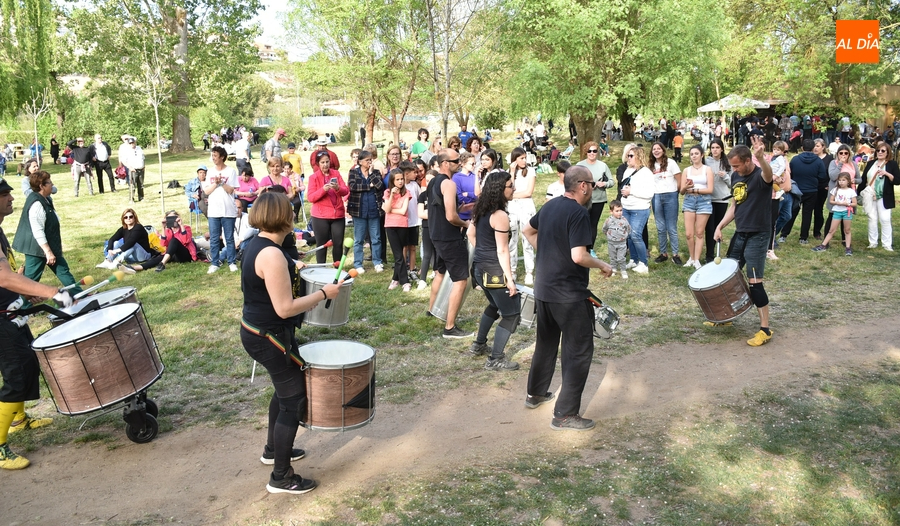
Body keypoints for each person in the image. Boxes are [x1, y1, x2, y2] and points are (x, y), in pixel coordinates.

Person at [239, 192, 343, 495]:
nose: (295, 213)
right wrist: (324, 294)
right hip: (267, 336)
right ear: (283, 217)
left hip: (262, 332)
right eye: (291, 210)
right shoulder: (269, 254)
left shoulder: (261, 245)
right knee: (294, 400)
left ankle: (273, 449)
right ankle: (281, 477)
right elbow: (285, 307)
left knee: (284, 390)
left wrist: (295, 265)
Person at [522, 165, 614, 431]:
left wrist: (550, 252)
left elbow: (529, 231)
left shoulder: (550, 205)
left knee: (546, 342)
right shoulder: (579, 213)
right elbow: (578, 256)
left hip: (544, 290)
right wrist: (602, 265)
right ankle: (565, 414)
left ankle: (535, 394)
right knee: (578, 350)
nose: (594, 189)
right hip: (569, 295)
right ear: (583, 186)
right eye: (593, 185)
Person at [0, 177, 75, 470]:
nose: (11, 197)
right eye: (4, 194)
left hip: (10, 311)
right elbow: (2, 277)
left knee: (28, 363)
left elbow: (9, 276)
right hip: (1, 319)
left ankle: (18, 419)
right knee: (17, 374)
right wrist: (52, 291)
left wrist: (24, 295)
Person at [712, 137, 775, 347]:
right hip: (741, 232)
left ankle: (765, 329)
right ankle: (727, 318)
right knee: (729, 277)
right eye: (732, 166)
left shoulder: (760, 177)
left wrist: (761, 159)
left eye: (737, 165)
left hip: (758, 234)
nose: (735, 170)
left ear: (748, 161)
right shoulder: (735, 176)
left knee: (755, 283)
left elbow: (769, 175)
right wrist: (720, 226)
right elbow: (734, 205)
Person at [466, 171, 520, 371]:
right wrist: (509, 279)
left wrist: (482, 251)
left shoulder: (480, 210)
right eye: (510, 186)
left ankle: (478, 345)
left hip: (479, 269)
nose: (513, 188)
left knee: (493, 305)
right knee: (512, 313)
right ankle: (496, 358)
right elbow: (502, 249)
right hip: (495, 271)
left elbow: (471, 233)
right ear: (500, 190)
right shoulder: (500, 216)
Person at [12, 171, 83, 294]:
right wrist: (48, 252)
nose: (52, 184)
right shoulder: (36, 204)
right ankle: (21, 306)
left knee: (63, 270)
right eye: (49, 182)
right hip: (37, 249)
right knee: (31, 278)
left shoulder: (45, 199)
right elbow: (37, 230)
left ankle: (80, 295)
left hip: (49, 247)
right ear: (41, 186)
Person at [428, 149, 474, 339]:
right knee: (461, 280)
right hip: (449, 237)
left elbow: (448, 208)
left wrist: (470, 207)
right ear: (445, 163)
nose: (460, 163)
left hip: (436, 235)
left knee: (439, 273)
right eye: (456, 160)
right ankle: (450, 327)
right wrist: (466, 224)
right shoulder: (449, 183)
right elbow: (451, 216)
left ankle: (431, 310)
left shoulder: (433, 181)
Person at [203, 146, 240, 273]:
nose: (213, 158)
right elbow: (207, 191)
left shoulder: (231, 171)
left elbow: (231, 190)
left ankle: (232, 262)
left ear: (222, 157)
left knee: (229, 238)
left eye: (215, 156)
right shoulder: (210, 172)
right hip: (214, 210)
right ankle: (214, 262)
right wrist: (216, 183)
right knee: (214, 238)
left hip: (228, 210)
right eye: (212, 156)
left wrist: (222, 183)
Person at [346, 150, 385, 273]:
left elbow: (380, 186)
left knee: (376, 238)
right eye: (367, 160)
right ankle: (358, 263)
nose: (369, 162)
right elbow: (353, 187)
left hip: (374, 209)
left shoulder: (376, 172)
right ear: (360, 161)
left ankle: (377, 261)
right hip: (359, 210)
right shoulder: (353, 172)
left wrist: (372, 174)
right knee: (359, 239)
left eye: (370, 160)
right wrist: (369, 186)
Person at [307, 151, 349, 264]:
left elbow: (345, 191)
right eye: (322, 162)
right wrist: (323, 190)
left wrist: (337, 188)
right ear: (318, 164)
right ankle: (321, 268)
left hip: (338, 215)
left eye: (327, 162)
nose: (325, 164)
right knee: (322, 244)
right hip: (320, 216)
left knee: (338, 243)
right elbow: (311, 197)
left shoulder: (336, 174)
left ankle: (337, 268)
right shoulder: (313, 177)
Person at [858, 141, 899, 251]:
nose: (880, 152)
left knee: (885, 219)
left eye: (882, 151)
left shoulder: (892, 164)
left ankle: (887, 244)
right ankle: (873, 242)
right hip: (870, 195)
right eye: (878, 150)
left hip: (884, 196)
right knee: (872, 218)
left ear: (887, 152)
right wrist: (858, 193)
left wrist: (887, 174)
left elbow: (897, 181)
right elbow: (863, 180)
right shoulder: (871, 163)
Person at [575, 142, 614, 257]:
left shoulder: (603, 165)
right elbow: (574, 181)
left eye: (594, 151)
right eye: (589, 151)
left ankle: (590, 249)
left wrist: (604, 184)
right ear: (586, 152)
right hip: (583, 199)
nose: (592, 153)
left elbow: (612, 182)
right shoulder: (580, 165)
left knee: (593, 224)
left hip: (599, 199)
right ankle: (580, 247)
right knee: (582, 223)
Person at [126, 211, 198, 272]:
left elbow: (186, 241)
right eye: (170, 219)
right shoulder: (168, 231)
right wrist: (163, 228)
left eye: (174, 218)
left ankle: (162, 264)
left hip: (186, 255)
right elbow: (163, 244)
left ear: (178, 218)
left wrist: (181, 225)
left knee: (174, 241)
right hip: (173, 255)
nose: (173, 221)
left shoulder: (186, 228)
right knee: (158, 258)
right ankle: (135, 268)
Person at [620, 145, 654, 274]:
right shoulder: (628, 170)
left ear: (639, 157)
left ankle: (643, 263)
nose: (628, 158)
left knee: (636, 235)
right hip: (627, 207)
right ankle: (633, 260)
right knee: (628, 235)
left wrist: (631, 191)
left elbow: (649, 193)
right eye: (628, 155)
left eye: (631, 156)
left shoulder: (646, 173)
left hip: (639, 209)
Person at [680, 145, 714, 269]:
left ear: (702, 155)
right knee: (689, 234)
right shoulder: (686, 171)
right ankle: (691, 257)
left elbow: (710, 189)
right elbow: (682, 191)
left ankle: (697, 260)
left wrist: (695, 189)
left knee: (699, 233)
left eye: (696, 153)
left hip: (704, 201)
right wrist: (686, 187)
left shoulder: (707, 169)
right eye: (692, 154)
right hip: (689, 201)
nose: (694, 156)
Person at [789, 139, 828, 245]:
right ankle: (803, 237)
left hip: (797, 189)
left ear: (802, 148)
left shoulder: (795, 159)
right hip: (812, 190)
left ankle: (784, 234)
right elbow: (822, 176)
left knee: (793, 212)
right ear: (812, 148)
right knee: (807, 214)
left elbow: (790, 174)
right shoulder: (818, 161)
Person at [97, 208, 160, 273]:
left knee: (133, 244)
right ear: (123, 219)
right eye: (126, 217)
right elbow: (112, 239)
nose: (128, 218)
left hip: (143, 256)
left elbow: (131, 241)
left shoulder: (138, 227)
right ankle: (107, 261)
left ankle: (116, 262)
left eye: (131, 217)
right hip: (130, 257)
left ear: (134, 218)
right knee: (116, 243)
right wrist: (110, 249)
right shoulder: (123, 229)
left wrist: (117, 250)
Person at [507, 148, 537, 285]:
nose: (524, 161)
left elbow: (528, 192)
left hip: (526, 207)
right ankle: (512, 270)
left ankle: (529, 271)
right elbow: (509, 189)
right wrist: (512, 172)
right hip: (513, 208)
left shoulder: (530, 171)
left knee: (527, 240)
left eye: (525, 158)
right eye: (521, 158)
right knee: (512, 240)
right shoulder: (511, 172)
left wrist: (512, 196)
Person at [649, 142, 681, 265]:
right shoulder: (651, 166)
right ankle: (663, 253)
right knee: (660, 227)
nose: (656, 151)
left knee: (671, 227)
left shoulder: (671, 163)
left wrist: (675, 193)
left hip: (671, 196)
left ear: (663, 150)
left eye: (658, 149)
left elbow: (679, 179)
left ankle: (675, 254)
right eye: (654, 149)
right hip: (656, 197)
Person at [812, 173, 857, 255]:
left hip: (847, 212)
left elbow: (854, 203)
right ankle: (823, 245)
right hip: (837, 212)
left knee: (847, 230)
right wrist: (838, 203)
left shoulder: (851, 191)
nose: (841, 182)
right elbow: (831, 201)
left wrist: (848, 204)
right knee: (832, 230)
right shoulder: (835, 190)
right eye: (839, 180)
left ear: (848, 181)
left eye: (843, 180)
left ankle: (848, 247)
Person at [383, 169, 412, 291]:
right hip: (390, 225)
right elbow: (387, 208)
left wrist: (389, 210)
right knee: (398, 255)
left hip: (402, 225)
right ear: (392, 181)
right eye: (397, 179)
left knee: (399, 254)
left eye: (401, 179)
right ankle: (405, 282)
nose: (400, 182)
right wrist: (391, 197)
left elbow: (403, 211)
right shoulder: (387, 192)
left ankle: (395, 279)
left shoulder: (407, 193)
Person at [704, 139, 733, 263]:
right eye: (712, 147)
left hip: (722, 199)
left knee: (717, 227)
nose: (714, 150)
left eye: (717, 147)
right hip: (708, 199)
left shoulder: (728, 163)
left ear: (722, 149)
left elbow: (733, 183)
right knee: (709, 227)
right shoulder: (706, 161)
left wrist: (725, 176)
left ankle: (715, 250)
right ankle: (709, 254)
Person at [602, 199, 631, 279]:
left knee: (621, 257)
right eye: (617, 211)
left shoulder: (624, 220)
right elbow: (604, 229)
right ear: (611, 211)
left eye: (621, 210)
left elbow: (628, 229)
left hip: (622, 243)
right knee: (613, 257)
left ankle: (623, 270)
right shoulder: (608, 221)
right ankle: (613, 269)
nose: (619, 213)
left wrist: (624, 236)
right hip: (611, 243)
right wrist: (610, 236)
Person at [124, 137, 146, 202]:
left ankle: (141, 197)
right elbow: (124, 161)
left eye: (132, 142)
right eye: (130, 143)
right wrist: (129, 167)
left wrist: (144, 165)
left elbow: (143, 157)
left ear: (135, 142)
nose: (132, 144)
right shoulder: (127, 151)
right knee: (132, 185)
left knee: (141, 184)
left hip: (141, 169)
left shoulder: (139, 148)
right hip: (133, 170)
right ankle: (131, 199)